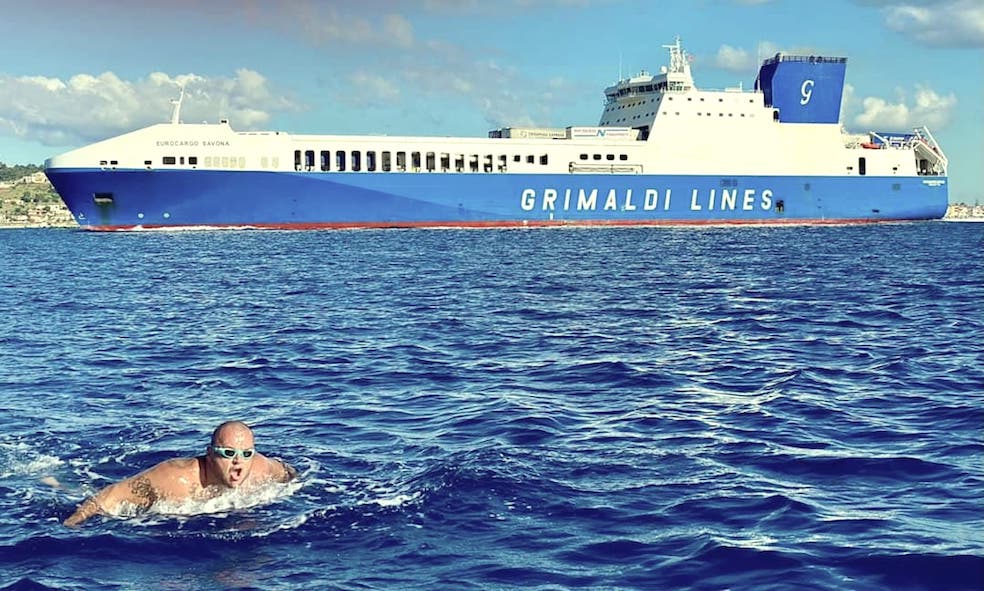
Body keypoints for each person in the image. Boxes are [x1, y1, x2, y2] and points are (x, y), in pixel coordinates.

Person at [64, 421, 296, 527]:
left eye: (246, 454)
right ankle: (58, 481)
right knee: (75, 491)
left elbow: (291, 473)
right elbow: (110, 495)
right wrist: (72, 524)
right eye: (228, 453)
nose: (238, 462)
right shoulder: (175, 478)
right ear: (209, 454)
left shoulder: (261, 468)